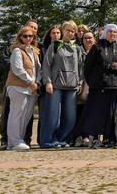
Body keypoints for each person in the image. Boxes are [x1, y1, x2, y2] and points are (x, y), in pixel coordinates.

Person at [38, 21, 83, 149]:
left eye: (72, 31)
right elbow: (46, 65)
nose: (70, 33)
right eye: (67, 30)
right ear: (63, 30)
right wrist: (48, 82)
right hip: (56, 85)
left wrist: (79, 82)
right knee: (53, 115)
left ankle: (64, 140)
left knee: (70, 116)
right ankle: (49, 140)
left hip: (72, 86)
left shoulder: (77, 48)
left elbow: (80, 67)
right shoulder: (55, 46)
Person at [80, 24, 117, 148]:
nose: (112, 34)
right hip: (98, 87)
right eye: (110, 31)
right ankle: (93, 138)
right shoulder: (97, 47)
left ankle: (108, 138)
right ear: (106, 32)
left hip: (114, 87)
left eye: (115, 32)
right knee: (96, 113)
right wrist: (92, 82)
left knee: (110, 115)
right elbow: (87, 67)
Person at [0, 19, 37, 150]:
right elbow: (17, 69)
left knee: (26, 115)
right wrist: (31, 81)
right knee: (16, 114)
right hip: (18, 87)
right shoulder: (16, 50)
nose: (28, 38)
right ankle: (14, 141)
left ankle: (17, 141)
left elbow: (38, 69)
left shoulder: (34, 51)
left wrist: (36, 82)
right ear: (20, 37)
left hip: (31, 88)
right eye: (25, 36)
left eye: (30, 36)